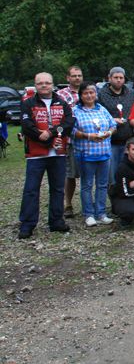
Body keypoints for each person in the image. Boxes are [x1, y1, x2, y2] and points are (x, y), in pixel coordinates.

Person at [18, 72, 74, 239]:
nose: (44, 85)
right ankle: (27, 224)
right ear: (35, 85)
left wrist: (51, 132)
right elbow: (26, 125)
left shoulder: (62, 102)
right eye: (40, 83)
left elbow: (69, 123)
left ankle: (56, 221)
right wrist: (40, 135)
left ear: (52, 84)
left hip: (58, 153)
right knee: (31, 189)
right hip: (36, 154)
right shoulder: (28, 103)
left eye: (47, 83)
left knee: (57, 189)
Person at [72, 82, 116, 227]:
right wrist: (88, 136)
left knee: (102, 185)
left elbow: (113, 125)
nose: (89, 95)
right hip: (86, 154)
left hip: (104, 153)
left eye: (92, 92)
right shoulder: (75, 111)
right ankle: (89, 214)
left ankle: (101, 213)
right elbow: (71, 130)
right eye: (86, 93)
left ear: (96, 94)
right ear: (81, 95)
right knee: (87, 185)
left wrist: (108, 133)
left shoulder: (101, 109)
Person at [98, 66, 134, 187]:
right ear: (109, 78)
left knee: (127, 174)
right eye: (116, 77)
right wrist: (112, 120)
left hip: (127, 141)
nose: (119, 80)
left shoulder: (131, 93)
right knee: (111, 175)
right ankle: (113, 195)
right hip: (110, 142)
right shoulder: (101, 94)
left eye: (121, 77)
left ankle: (125, 195)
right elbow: (95, 113)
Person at [57, 65, 83, 218]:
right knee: (71, 174)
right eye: (74, 75)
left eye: (79, 75)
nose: (77, 78)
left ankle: (89, 204)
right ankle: (68, 204)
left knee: (89, 174)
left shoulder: (90, 91)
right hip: (71, 140)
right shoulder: (61, 95)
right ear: (68, 78)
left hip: (90, 140)